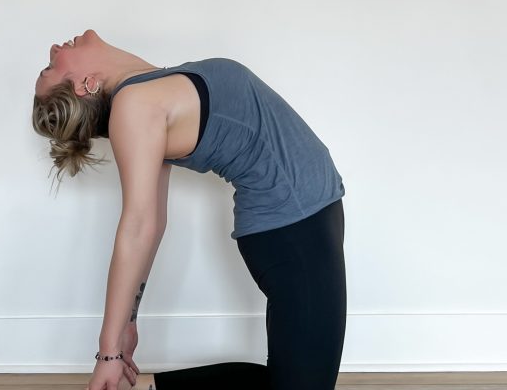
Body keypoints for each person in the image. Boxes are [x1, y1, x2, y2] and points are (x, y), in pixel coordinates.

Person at [32, 29, 347, 390]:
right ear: (85, 85)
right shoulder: (134, 107)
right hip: (293, 230)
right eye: (50, 66)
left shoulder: (148, 91)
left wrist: (128, 323)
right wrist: (109, 350)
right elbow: (140, 226)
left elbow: (154, 224)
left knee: (296, 379)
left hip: (300, 222)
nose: (55, 48)